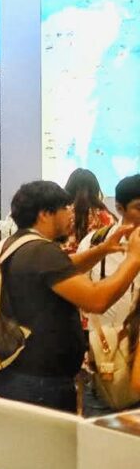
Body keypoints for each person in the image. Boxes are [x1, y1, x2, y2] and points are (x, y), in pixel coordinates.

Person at [0, 180, 139, 420]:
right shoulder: (41, 252)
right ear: (45, 214)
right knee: (49, 444)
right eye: (65, 208)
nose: (72, 214)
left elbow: (64, 269)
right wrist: (133, 259)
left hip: (19, 375)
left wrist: (102, 250)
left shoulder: (16, 245)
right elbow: (96, 300)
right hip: (40, 382)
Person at [76, 174, 140, 416]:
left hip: (138, 359)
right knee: (99, 434)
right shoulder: (96, 243)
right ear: (120, 208)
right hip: (105, 363)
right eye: (139, 208)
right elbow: (81, 296)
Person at [62, 168, 114, 254]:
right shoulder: (105, 216)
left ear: (69, 188)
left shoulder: (61, 212)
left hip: (62, 259)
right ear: (95, 189)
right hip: (93, 260)